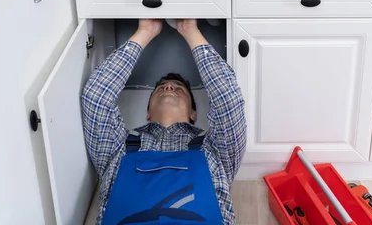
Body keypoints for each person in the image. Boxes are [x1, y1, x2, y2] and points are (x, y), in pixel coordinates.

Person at [81, 18, 247, 225]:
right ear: (148, 113)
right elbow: (96, 97)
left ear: (193, 112)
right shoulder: (118, 147)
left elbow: (228, 100)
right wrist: (145, 31)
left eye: (178, 88)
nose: (169, 88)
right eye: (160, 88)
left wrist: (190, 30)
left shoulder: (215, 150)